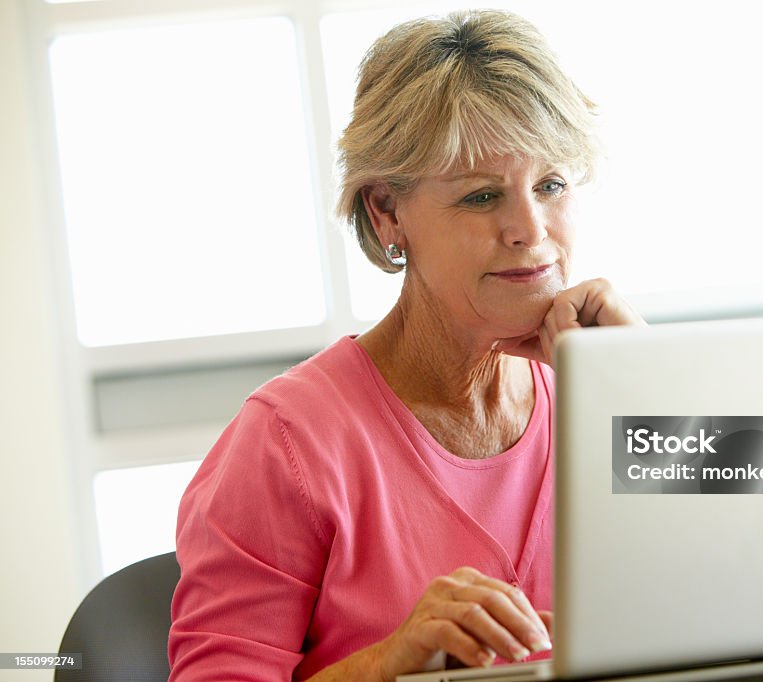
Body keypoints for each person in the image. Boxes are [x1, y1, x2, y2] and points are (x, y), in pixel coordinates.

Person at [168, 9, 645, 681]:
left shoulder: (606, 383)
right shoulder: (288, 442)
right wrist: (391, 663)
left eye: (550, 185)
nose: (529, 229)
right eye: (482, 196)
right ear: (387, 212)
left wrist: (657, 392)